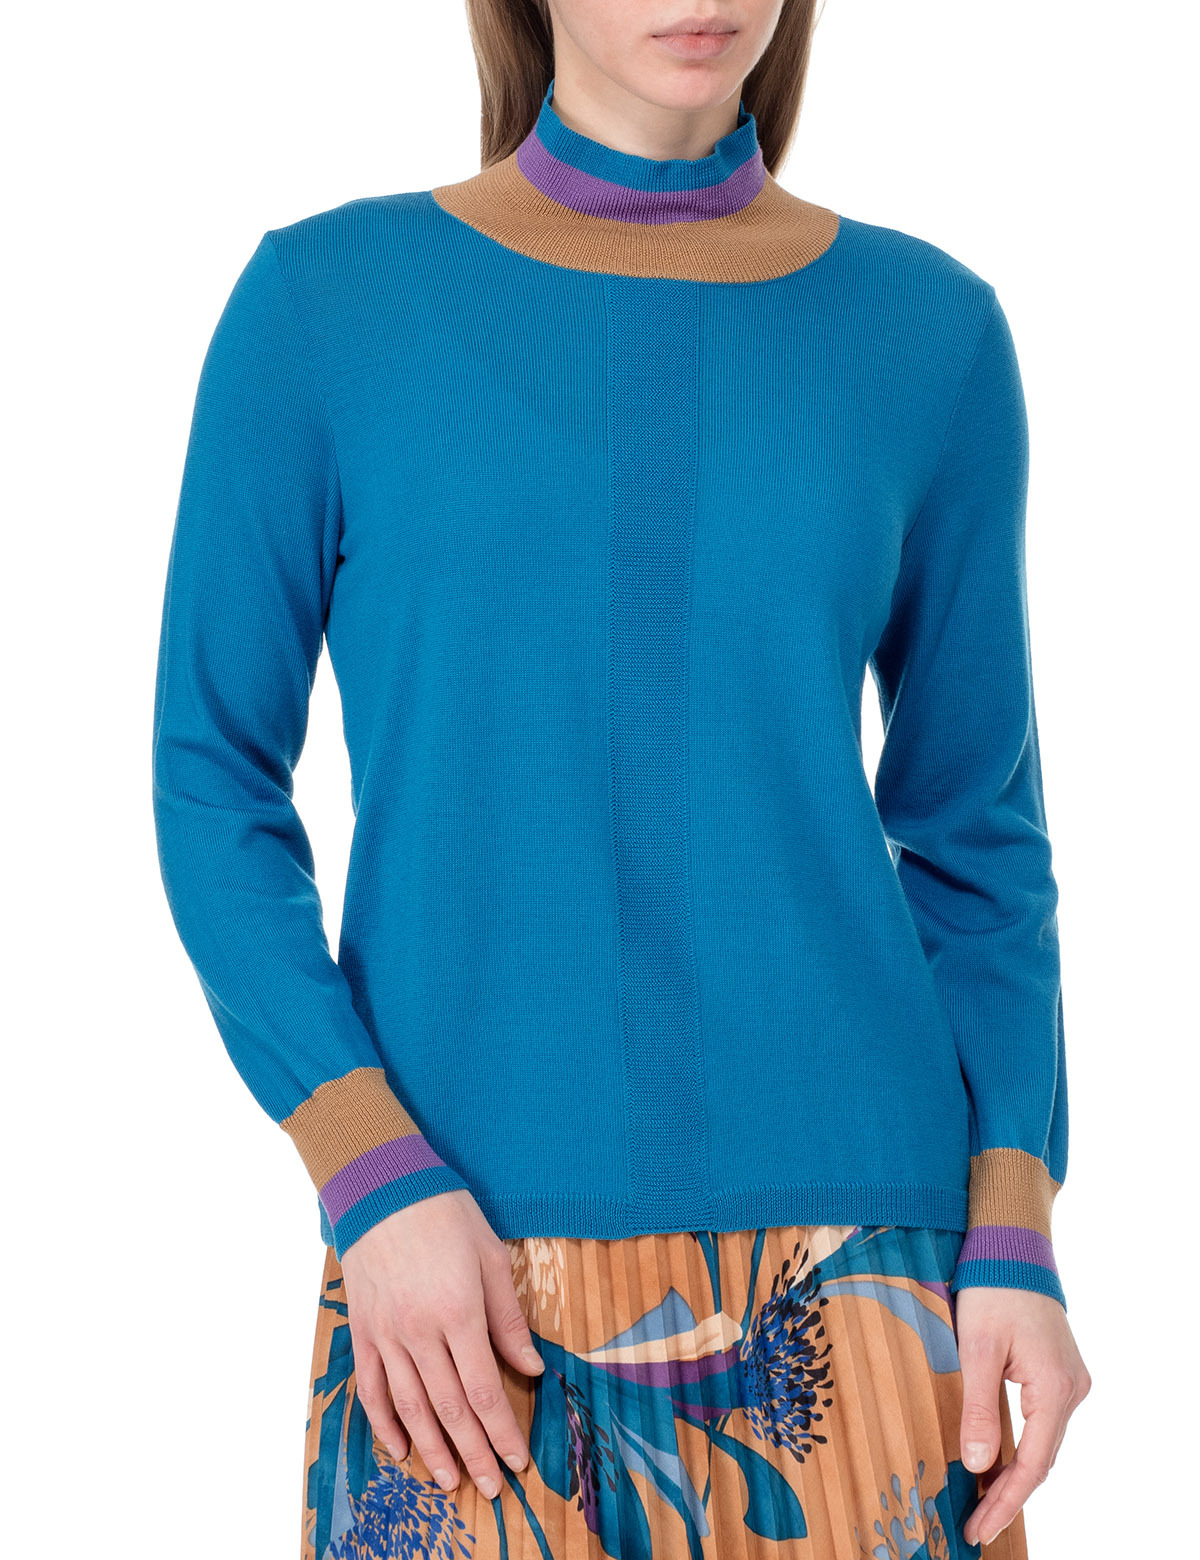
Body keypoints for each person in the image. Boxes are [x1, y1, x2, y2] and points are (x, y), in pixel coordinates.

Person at [151, 1, 1091, 1554]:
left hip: (868, 1276)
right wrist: (365, 1168)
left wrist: (1016, 1226)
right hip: (456, 1271)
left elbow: (979, 836)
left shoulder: (929, 334)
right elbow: (213, 783)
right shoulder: (323, 307)